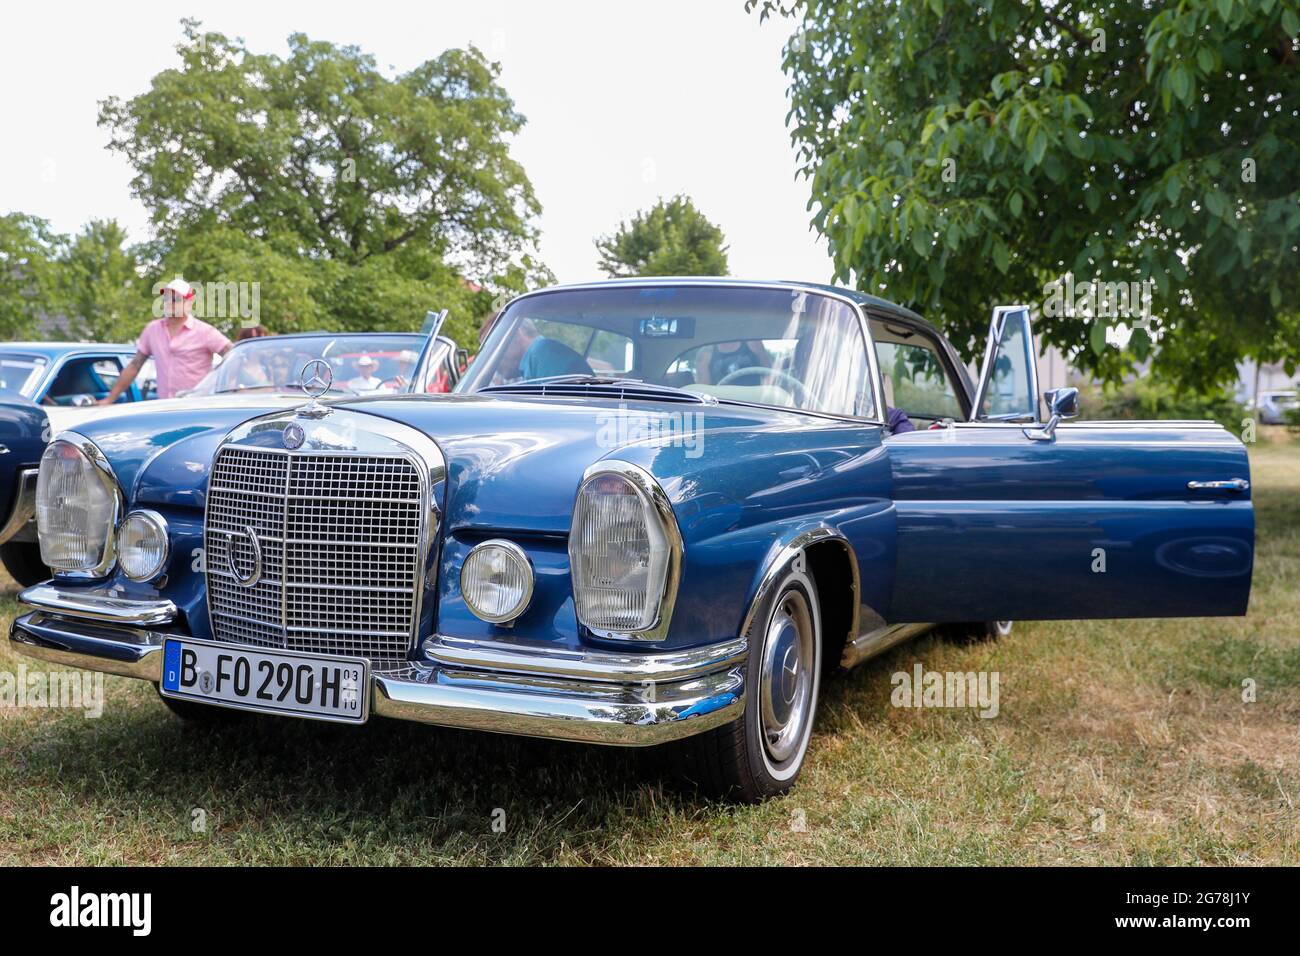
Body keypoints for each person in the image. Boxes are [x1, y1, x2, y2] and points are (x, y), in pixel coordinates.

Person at [99, 277, 232, 403]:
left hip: (196, 407)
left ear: (190, 301)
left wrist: (227, 388)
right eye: (167, 298)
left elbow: (234, 357)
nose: (170, 302)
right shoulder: (152, 329)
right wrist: (109, 399)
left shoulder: (205, 331)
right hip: (165, 408)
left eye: (176, 299)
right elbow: (134, 365)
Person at [495, 319, 591, 383]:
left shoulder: (542, 354)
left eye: (496, 348)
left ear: (516, 335)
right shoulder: (536, 357)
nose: (493, 363)